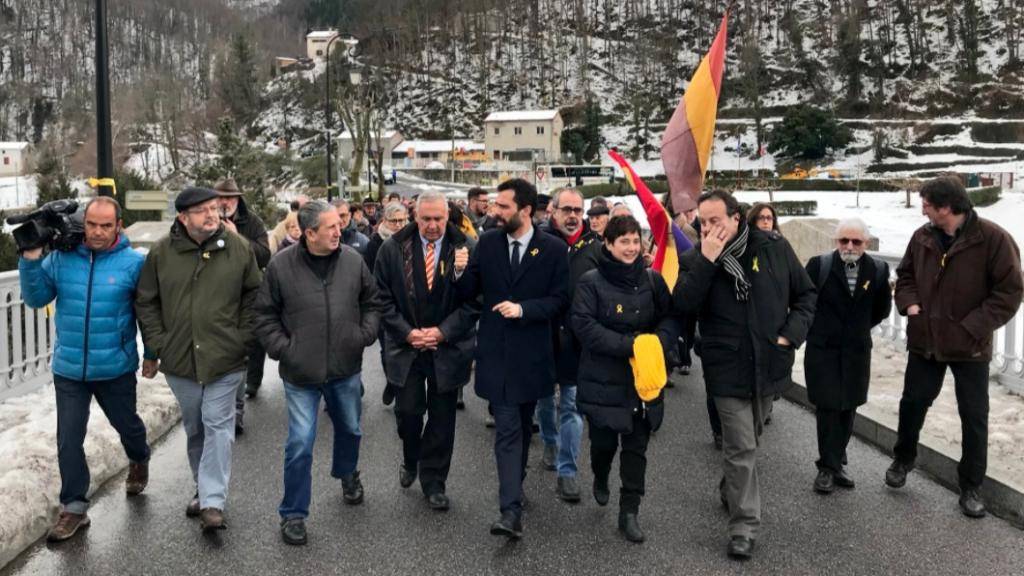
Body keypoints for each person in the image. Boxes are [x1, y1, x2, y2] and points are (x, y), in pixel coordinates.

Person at [673, 190, 815, 560]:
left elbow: (805, 296)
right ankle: (744, 526)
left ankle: (730, 487)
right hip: (725, 365)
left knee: (751, 438)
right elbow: (683, 305)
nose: (708, 228)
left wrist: (790, 335)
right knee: (740, 444)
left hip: (769, 360)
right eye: (703, 222)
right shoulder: (695, 258)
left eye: (715, 221)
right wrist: (705, 261)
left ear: (737, 218)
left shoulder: (773, 247)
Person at [886, 175, 1023, 518]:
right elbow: (904, 277)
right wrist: (910, 306)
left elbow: (1009, 292)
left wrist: (972, 327)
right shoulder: (922, 237)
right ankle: (903, 460)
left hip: (970, 346)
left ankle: (971, 487)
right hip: (926, 341)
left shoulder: (993, 239)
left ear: (946, 207)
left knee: (974, 417)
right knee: (913, 404)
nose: (923, 211)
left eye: (928, 205)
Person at [18, 196, 151, 542]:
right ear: (83, 223)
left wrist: (152, 352)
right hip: (69, 368)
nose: (98, 232)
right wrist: (31, 258)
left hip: (116, 367)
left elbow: (149, 313)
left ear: (118, 226)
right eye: (92, 224)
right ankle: (74, 507)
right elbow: (35, 299)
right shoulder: (61, 260)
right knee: (69, 440)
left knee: (128, 425)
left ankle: (139, 457)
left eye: (106, 225)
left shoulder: (133, 264)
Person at [254, 200, 382, 546]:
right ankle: (293, 513)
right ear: (309, 234)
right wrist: (285, 349)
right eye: (330, 227)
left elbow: (372, 302)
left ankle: (347, 473)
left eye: (339, 225)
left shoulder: (353, 262)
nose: (339, 230)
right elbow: (264, 315)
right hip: (301, 373)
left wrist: (363, 335)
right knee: (299, 443)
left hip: (345, 368)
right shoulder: (281, 267)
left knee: (351, 429)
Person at [136, 187, 262, 532]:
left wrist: (242, 337)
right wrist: (159, 342)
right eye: (202, 210)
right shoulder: (162, 253)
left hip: (227, 356)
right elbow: (146, 301)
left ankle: (212, 502)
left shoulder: (238, 248)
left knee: (218, 424)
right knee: (196, 428)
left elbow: (254, 293)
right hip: (180, 359)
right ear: (183, 218)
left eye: (214, 208)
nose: (212, 215)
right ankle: (203, 487)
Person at [454, 178, 570, 539]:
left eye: (503, 207)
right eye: (495, 205)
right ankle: (510, 511)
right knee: (506, 428)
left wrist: (524, 309)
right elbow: (468, 291)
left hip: (532, 355)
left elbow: (560, 300)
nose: (495, 212)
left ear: (525, 210)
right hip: (496, 354)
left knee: (520, 425)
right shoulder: (487, 242)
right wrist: (459, 270)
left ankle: (514, 484)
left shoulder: (552, 249)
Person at [374, 192, 479, 511]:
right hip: (407, 347)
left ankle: (434, 481)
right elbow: (380, 298)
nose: (433, 226)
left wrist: (442, 332)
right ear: (414, 217)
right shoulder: (392, 249)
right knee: (408, 413)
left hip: (448, 348)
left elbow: (476, 300)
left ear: (448, 217)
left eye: (439, 219)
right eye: (426, 219)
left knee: (443, 418)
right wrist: (408, 334)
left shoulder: (467, 249)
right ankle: (411, 457)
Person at [573, 214, 675, 543]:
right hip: (603, 378)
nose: (631, 247)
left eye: (636, 241)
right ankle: (600, 474)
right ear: (608, 244)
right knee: (603, 444)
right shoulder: (590, 281)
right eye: (624, 241)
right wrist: (630, 345)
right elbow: (585, 327)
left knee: (636, 448)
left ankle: (629, 510)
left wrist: (657, 343)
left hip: (642, 379)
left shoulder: (653, 280)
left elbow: (670, 319)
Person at [804, 218, 891, 494]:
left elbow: (881, 309)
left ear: (866, 243)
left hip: (856, 351)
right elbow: (804, 303)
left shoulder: (877, 269)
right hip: (823, 350)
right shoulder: (819, 266)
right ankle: (827, 468)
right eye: (844, 241)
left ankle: (836, 461)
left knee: (848, 407)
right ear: (835, 242)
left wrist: (856, 329)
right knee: (828, 408)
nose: (850, 246)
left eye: (856, 242)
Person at [536, 188, 601, 501]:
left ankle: (568, 470)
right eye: (567, 210)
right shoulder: (538, 243)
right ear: (554, 212)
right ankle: (549, 439)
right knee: (545, 399)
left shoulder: (597, 248)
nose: (573, 216)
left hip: (578, 341)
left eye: (578, 210)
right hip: (543, 336)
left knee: (572, 405)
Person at [214, 177, 271, 426]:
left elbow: (264, 255)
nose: (225, 203)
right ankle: (230, 401)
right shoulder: (206, 220)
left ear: (238, 199)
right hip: (217, 292)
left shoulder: (252, 222)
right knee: (225, 346)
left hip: (247, 290)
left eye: (230, 198)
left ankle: (250, 386)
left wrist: (238, 238)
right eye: (221, 198)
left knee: (249, 342)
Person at [365, 202, 409, 272]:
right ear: (385, 221)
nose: (397, 225)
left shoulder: (411, 240)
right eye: (393, 221)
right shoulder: (374, 243)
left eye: (401, 220)